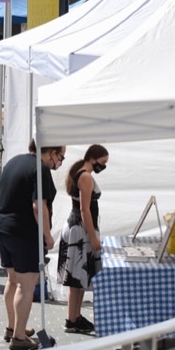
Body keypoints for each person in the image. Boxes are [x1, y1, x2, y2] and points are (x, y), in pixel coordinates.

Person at [0, 140, 65, 350]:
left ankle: (13, 327)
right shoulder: (40, 169)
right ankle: (18, 337)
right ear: (52, 153)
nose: (60, 163)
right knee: (26, 285)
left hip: (2, 227)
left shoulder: (14, 161)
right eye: (61, 157)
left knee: (13, 280)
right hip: (23, 234)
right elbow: (38, 206)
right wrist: (48, 235)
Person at [58, 144, 109, 336]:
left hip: (76, 228)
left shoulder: (78, 172)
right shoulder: (86, 176)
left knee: (78, 278)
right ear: (93, 158)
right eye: (103, 163)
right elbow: (84, 209)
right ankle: (72, 319)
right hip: (80, 230)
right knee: (77, 276)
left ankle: (75, 317)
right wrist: (93, 236)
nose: (103, 166)